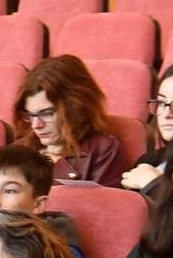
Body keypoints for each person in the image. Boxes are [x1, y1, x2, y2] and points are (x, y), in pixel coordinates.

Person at [14, 55, 125, 187]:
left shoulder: (104, 150)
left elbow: (103, 206)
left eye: (47, 113)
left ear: (76, 108)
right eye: (31, 115)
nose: (36, 125)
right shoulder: (16, 151)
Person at [121, 62, 173, 193]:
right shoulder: (149, 161)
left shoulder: (146, 173)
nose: (166, 113)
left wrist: (153, 184)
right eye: (162, 102)